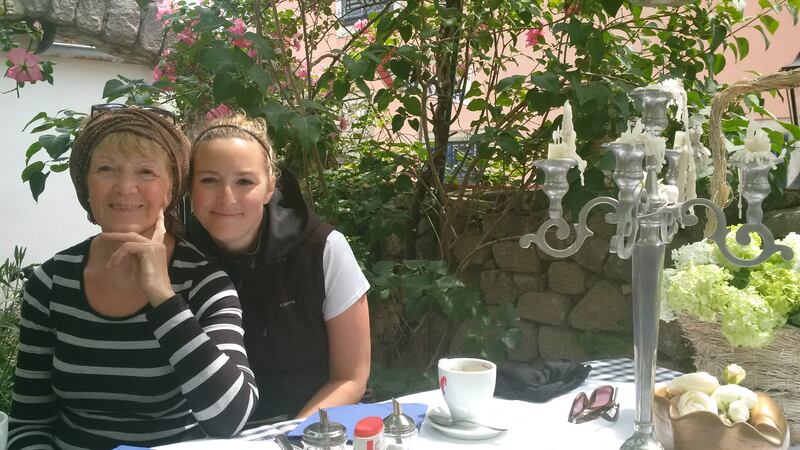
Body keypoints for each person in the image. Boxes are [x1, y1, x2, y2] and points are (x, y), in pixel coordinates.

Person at [7, 107, 258, 450]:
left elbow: (231, 417)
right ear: (86, 184)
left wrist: (163, 297)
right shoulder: (50, 283)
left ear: (171, 190)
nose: (125, 188)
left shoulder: (203, 282)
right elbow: (29, 422)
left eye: (146, 172)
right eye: (106, 169)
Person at [186, 113, 370, 423]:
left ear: (270, 187)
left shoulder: (323, 250)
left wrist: (290, 437)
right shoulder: (175, 258)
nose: (226, 197)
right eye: (209, 180)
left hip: (315, 426)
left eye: (244, 181)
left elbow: (350, 378)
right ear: (189, 187)